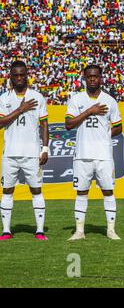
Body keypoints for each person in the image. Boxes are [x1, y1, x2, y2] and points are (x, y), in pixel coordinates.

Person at [65, 64, 123, 240]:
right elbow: (68, 124)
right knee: (81, 192)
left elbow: (119, 126)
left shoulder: (110, 100)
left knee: (108, 191)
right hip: (82, 154)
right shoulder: (76, 99)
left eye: (95, 76)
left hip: (104, 154)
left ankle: (111, 230)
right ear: (84, 78)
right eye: (89, 76)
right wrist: (90, 111)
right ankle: (80, 231)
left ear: (100, 78)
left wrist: (106, 135)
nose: (92, 79)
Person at [0, 60, 49, 241]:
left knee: (36, 190)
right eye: (16, 75)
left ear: (27, 76)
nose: (19, 78)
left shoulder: (37, 96)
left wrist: (45, 148)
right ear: (11, 77)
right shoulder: (4, 98)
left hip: (32, 153)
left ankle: (40, 231)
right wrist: (21, 109)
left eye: (22, 75)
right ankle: (6, 231)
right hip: (10, 153)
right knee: (7, 191)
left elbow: (44, 124)